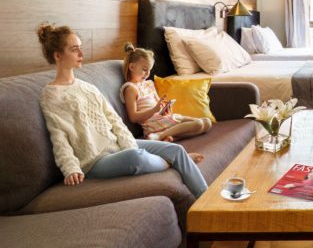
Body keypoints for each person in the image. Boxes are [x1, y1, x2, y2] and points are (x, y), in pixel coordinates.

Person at [36, 23, 208, 198]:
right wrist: (71, 168)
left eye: (80, 48)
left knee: (177, 151)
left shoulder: (88, 87)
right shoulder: (51, 95)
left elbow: (114, 119)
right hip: (95, 161)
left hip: (116, 145)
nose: (81, 54)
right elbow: (58, 137)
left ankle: (206, 200)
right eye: (74, 49)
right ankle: (170, 164)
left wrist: (128, 144)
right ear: (58, 55)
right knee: (136, 157)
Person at [121, 42, 212, 142]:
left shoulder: (149, 84)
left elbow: (157, 104)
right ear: (132, 67)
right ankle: (159, 136)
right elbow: (133, 117)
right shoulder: (130, 89)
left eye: (149, 70)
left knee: (207, 123)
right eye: (144, 69)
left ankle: (168, 136)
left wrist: (164, 107)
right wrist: (154, 110)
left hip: (163, 118)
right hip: (153, 124)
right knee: (199, 124)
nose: (148, 74)